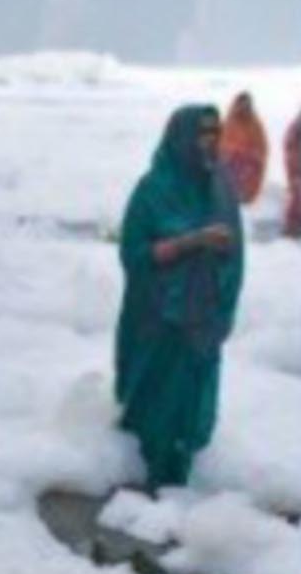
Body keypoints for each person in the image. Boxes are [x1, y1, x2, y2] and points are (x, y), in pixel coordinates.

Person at [115, 106, 245, 491]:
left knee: (191, 400)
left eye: (216, 132)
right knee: (154, 401)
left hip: (202, 315)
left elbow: (235, 256)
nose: (211, 140)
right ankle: (144, 477)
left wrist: (224, 302)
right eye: (202, 133)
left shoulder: (220, 186)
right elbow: (134, 255)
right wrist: (193, 241)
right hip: (156, 317)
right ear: (179, 137)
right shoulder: (152, 190)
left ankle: (183, 479)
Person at [217, 91, 268, 206]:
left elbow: (262, 148)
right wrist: (235, 152)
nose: (244, 108)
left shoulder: (256, 126)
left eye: (247, 105)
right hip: (232, 169)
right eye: (241, 105)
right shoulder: (228, 124)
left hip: (249, 172)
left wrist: (253, 156)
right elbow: (221, 148)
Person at [284, 107, 301, 240]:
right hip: (297, 166)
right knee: (297, 195)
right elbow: (290, 146)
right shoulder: (296, 127)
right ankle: (292, 227)